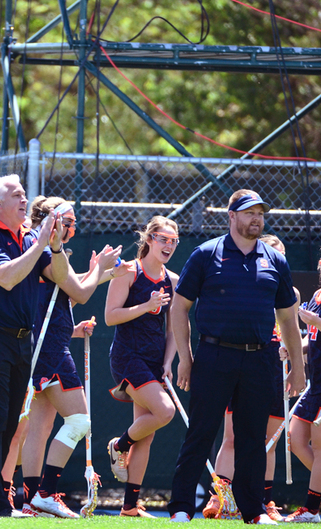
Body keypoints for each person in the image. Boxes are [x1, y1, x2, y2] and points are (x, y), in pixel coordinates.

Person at [167, 189, 305, 524]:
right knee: (200, 434)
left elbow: (288, 317)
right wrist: (185, 358)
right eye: (249, 212)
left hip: (260, 359)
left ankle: (253, 511)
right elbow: (179, 307)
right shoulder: (205, 254)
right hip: (214, 355)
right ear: (232, 216)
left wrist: (298, 369)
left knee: (253, 440)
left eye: (260, 213)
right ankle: (182, 508)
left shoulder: (276, 260)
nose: (256, 219)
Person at [0, 174, 69, 517]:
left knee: (8, 424)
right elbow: (6, 278)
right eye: (17, 195)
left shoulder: (26, 238)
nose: (25, 200)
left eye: (25, 195)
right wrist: (38, 244)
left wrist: (55, 245)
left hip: (22, 341)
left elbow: (62, 276)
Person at [19, 196, 123, 518]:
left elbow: (63, 300)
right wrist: (100, 271)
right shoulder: (46, 248)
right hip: (48, 348)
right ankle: (46, 493)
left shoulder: (38, 246)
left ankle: (31, 498)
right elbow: (79, 292)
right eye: (68, 221)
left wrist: (99, 272)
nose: (72, 227)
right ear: (51, 220)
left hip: (46, 340)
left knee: (39, 426)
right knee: (79, 421)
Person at [203, 235, 297, 521]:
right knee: (232, 437)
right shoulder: (243, 282)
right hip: (246, 358)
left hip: (274, 365)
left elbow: (291, 329)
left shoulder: (288, 290)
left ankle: (264, 501)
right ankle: (221, 498)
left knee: (266, 441)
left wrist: (296, 362)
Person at [105, 216, 180, 518]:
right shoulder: (128, 272)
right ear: (149, 239)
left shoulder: (172, 281)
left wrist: (168, 361)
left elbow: (174, 328)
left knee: (146, 434)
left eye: (174, 241)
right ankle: (119, 445)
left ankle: (129, 507)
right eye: (164, 239)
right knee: (166, 411)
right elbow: (111, 316)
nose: (169, 245)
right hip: (127, 357)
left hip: (153, 361)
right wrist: (145, 307)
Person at [284, 241, 321, 523]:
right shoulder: (317, 295)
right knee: (294, 439)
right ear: (320, 263)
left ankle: (311, 509)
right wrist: (297, 349)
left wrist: (316, 321)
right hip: (315, 383)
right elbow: (314, 338)